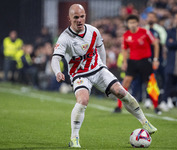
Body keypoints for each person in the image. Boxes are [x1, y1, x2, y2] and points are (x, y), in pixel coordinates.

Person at [51, 4, 157, 148]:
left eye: (82, 16)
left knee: (121, 91)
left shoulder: (93, 31)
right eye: (76, 17)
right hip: (79, 74)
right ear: (69, 18)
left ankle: (145, 122)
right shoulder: (65, 38)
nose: (80, 20)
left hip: (98, 69)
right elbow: (55, 58)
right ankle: (74, 138)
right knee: (83, 100)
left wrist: (104, 66)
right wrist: (58, 71)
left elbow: (101, 48)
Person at [114, 15, 161, 114]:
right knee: (125, 83)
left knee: (151, 83)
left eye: (134, 22)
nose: (132, 24)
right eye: (130, 23)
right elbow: (124, 49)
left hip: (145, 61)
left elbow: (156, 44)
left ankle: (156, 107)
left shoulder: (145, 32)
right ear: (127, 24)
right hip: (133, 61)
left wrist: (156, 59)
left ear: (137, 23)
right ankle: (118, 107)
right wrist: (125, 62)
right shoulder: (126, 35)